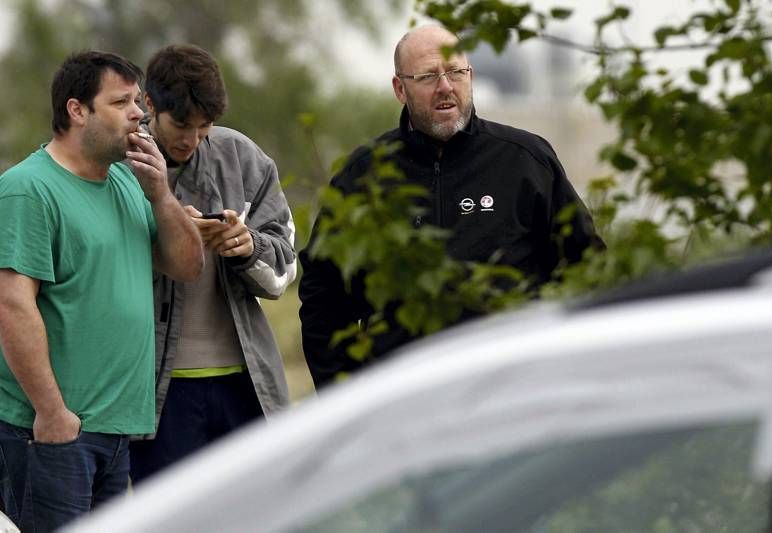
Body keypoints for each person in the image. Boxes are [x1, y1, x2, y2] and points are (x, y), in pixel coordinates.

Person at [299, 25, 603, 389]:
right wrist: (348, 396)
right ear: (400, 89)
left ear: (470, 76)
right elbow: (323, 300)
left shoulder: (525, 161)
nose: (445, 87)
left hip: (517, 392)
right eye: (428, 76)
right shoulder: (364, 177)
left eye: (455, 72)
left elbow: (588, 270)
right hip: (404, 401)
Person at [0, 50, 203, 532]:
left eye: (138, 101)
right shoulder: (27, 190)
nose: (140, 113)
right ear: (77, 110)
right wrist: (53, 416)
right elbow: (11, 305)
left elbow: (187, 266)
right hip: (54, 433)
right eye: (122, 102)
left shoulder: (128, 182)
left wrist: (161, 194)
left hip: (117, 431)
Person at [127, 44, 297, 483]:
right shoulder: (116, 160)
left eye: (205, 127)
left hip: (245, 383)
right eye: (181, 125)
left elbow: (283, 272)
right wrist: (166, 225)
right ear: (149, 104)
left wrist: (246, 246)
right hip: (156, 392)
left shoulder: (243, 157)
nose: (192, 139)